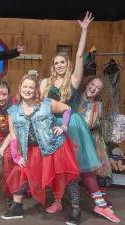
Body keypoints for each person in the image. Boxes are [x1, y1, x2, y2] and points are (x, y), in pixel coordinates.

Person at [40, 12, 120, 224]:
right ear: (52, 65)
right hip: (51, 127)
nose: (59, 65)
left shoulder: (73, 81)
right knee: (58, 168)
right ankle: (58, 200)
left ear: (67, 65)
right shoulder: (45, 83)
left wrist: (84, 30)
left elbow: (79, 56)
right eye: (56, 63)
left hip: (71, 125)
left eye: (62, 62)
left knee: (81, 168)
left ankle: (101, 206)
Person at [1, 74, 79, 222]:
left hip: (55, 146)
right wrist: (16, 156)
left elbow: (67, 109)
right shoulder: (13, 111)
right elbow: (13, 135)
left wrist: (63, 126)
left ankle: (75, 209)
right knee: (20, 172)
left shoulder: (47, 103)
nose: (27, 90)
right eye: (25, 87)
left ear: (36, 89)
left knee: (67, 177)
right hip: (31, 150)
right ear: (20, 88)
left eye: (31, 87)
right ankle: (17, 208)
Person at [78, 76, 113, 180]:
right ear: (87, 83)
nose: (93, 89)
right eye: (92, 84)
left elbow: (105, 128)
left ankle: (98, 191)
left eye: (97, 88)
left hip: (91, 140)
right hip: (74, 140)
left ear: (100, 92)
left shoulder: (99, 106)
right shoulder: (74, 99)